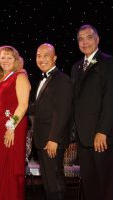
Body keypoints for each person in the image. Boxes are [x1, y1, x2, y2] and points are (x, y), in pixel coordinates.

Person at [71, 24, 113, 200]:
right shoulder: (76, 67)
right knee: (90, 183)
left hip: (102, 136)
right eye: (80, 39)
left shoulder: (109, 62)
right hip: (83, 137)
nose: (85, 42)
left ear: (97, 39)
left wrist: (102, 131)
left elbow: (111, 99)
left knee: (106, 183)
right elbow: (75, 102)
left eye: (89, 37)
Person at [30, 43, 72, 200]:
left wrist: (53, 139)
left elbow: (62, 112)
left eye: (46, 56)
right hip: (43, 140)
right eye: (38, 56)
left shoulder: (62, 80)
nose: (41, 59)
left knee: (55, 182)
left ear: (54, 58)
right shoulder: (44, 79)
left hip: (52, 141)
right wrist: (16, 110)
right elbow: (38, 107)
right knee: (48, 183)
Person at [0, 45, 30, 200]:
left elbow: (23, 104)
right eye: (2, 57)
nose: (5, 60)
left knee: (11, 168)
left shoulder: (20, 76)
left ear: (16, 60)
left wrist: (11, 127)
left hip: (12, 127)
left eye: (9, 57)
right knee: (0, 168)